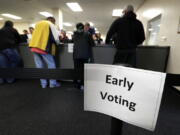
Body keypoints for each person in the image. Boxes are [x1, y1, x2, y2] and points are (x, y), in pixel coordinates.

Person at [29, 17, 60, 88]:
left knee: (39, 66)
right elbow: (56, 39)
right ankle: (52, 84)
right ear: (53, 21)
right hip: (43, 47)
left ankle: (43, 84)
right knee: (51, 65)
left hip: (34, 47)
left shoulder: (37, 24)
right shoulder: (50, 25)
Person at [73, 23, 95, 90]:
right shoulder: (88, 34)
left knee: (77, 70)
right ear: (83, 27)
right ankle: (82, 85)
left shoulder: (74, 35)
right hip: (85, 56)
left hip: (76, 55)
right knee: (84, 70)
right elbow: (93, 44)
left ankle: (76, 85)